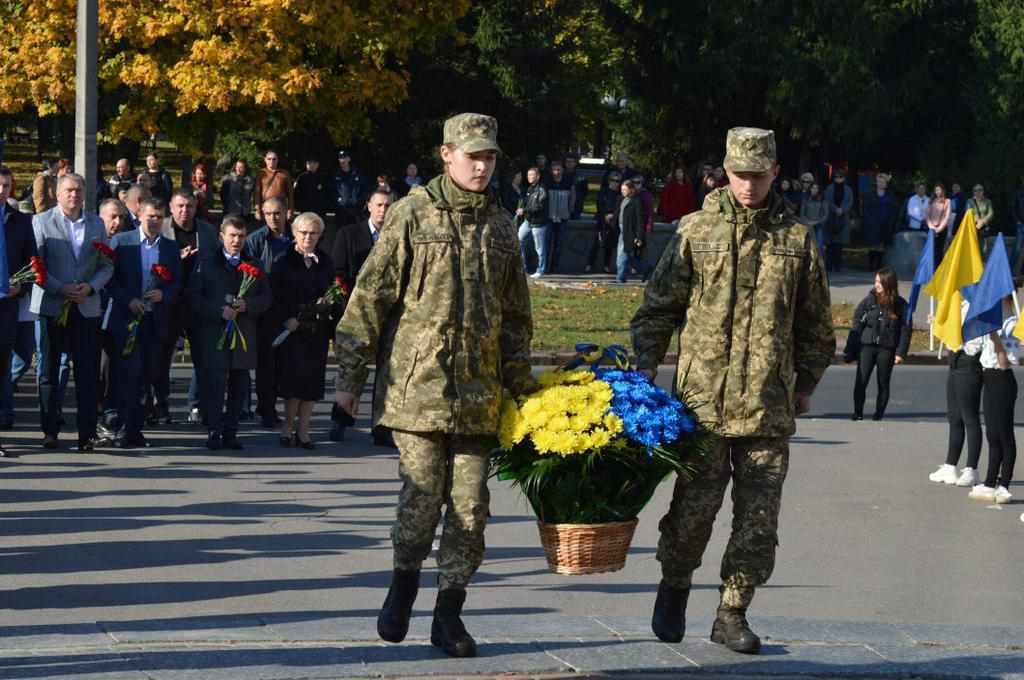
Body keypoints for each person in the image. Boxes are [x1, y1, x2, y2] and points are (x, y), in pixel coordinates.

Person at [333, 113, 534, 659]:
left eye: (489, 156)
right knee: (421, 499)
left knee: (470, 509)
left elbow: (516, 316)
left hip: (479, 394)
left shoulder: (499, 223)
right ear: (446, 154)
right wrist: (349, 380)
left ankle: (449, 613)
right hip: (417, 388)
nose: (481, 165)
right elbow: (370, 297)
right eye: (472, 155)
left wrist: (522, 388)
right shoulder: (412, 213)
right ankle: (402, 586)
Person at [631, 127, 834, 655]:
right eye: (739, 174)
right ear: (726, 171)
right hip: (703, 406)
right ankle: (673, 585)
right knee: (692, 514)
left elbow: (817, 327)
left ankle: (732, 612)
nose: (747, 184)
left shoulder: (797, 240)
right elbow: (658, 309)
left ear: (774, 174)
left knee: (757, 522)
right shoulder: (695, 231)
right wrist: (644, 369)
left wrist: (805, 384)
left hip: (767, 410)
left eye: (757, 175)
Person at [32, 173, 114, 451]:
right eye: (68, 190)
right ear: (57, 194)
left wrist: (90, 288)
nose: (74, 195)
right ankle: (50, 430)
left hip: (86, 306)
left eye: (78, 190)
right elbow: (36, 266)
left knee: (87, 373)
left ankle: (86, 434)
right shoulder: (42, 222)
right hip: (53, 305)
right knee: (49, 371)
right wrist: (60, 288)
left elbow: (107, 265)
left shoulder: (96, 223)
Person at [188, 215, 271, 450]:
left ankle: (231, 431)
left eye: (241, 236)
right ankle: (213, 430)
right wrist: (218, 311)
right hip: (215, 333)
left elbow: (266, 297)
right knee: (214, 385)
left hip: (243, 333)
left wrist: (248, 306)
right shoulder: (206, 262)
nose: (237, 241)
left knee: (240, 384)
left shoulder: (254, 264)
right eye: (232, 235)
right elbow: (194, 297)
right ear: (222, 236)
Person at [107, 198, 182, 448]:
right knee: (127, 373)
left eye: (160, 217)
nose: (155, 221)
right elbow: (110, 280)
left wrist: (165, 295)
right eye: (150, 216)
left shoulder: (170, 248)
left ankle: (136, 429)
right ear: (139, 215)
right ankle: (121, 428)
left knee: (146, 376)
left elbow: (177, 284)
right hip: (127, 319)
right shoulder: (122, 242)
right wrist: (128, 300)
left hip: (154, 321)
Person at [268, 213, 341, 448]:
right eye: (304, 232)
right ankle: (287, 428)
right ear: (294, 233)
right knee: (293, 383)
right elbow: (274, 296)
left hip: (316, 331)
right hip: (292, 330)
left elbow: (333, 293)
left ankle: (304, 431)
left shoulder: (326, 262)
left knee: (311, 383)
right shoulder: (282, 261)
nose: (308, 237)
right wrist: (286, 318)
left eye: (314, 233)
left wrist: (327, 309)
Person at [330, 188, 393, 444]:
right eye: (379, 205)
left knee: (388, 373)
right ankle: (340, 421)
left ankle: (382, 427)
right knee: (351, 369)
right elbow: (338, 273)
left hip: (389, 315)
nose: (383, 210)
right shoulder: (349, 234)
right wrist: (347, 305)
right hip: (357, 312)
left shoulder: (399, 236)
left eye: (388, 205)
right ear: (368, 205)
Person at [160, 189, 219, 426]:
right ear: (171, 208)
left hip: (198, 302)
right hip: (168, 301)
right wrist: (177, 259)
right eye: (180, 206)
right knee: (162, 358)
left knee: (202, 357)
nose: (185, 211)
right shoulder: (161, 227)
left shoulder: (207, 231)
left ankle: (196, 405)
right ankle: (160, 405)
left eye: (190, 207)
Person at [243, 197, 292, 427]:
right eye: (269, 213)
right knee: (265, 364)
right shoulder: (255, 240)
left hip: (289, 307)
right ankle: (266, 409)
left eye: (278, 213)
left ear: (286, 213)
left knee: (285, 364)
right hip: (264, 310)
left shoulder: (296, 237)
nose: (273, 217)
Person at [0, 166, 38, 457]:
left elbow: (32, 264)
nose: (2, 191)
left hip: (7, 306)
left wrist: (20, 287)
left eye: (7, 186)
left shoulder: (21, 222)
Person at [966, 297, 1018, 504]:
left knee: (1004, 434)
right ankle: (989, 482)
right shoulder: (990, 318)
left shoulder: (1012, 322)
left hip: (1002, 379)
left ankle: (1004, 485)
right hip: (988, 376)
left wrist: (995, 336)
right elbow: (971, 347)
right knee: (992, 434)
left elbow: (1007, 362)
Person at [929, 302, 984, 488]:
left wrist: (951, 330)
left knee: (970, 417)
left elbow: (975, 342)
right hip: (955, 360)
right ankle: (950, 465)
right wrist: (939, 323)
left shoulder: (979, 303)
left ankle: (971, 469)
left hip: (969, 360)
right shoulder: (958, 302)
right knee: (954, 417)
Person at [849, 267, 911, 421]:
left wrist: (900, 352)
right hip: (867, 346)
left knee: (883, 382)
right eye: (875, 281)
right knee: (861, 380)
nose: (876, 284)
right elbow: (857, 322)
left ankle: (879, 414)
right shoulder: (868, 301)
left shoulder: (900, 304)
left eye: (879, 282)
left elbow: (906, 329)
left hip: (887, 348)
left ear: (888, 283)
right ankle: (858, 412)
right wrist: (851, 349)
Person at [96, 198, 129, 439]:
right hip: (86, 312)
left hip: (114, 317)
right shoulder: (91, 242)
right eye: (112, 217)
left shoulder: (126, 245)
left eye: (121, 218)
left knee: (109, 368)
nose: (117, 222)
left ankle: (109, 415)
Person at [860, 173, 899, 271]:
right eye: (879, 182)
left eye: (883, 182)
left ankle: (878, 265)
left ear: (886, 184)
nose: (881, 184)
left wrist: (891, 222)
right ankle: (871, 265)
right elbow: (865, 209)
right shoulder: (869, 195)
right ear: (876, 183)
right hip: (872, 224)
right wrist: (868, 221)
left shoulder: (891, 196)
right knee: (872, 246)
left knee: (881, 247)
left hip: (885, 225)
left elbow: (894, 210)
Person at [615, 179, 651, 283]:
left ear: (631, 190)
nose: (622, 191)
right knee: (628, 257)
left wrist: (639, 237)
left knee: (622, 256)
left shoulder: (636, 201)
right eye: (621, 189)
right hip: (622, 231)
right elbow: (618, 213)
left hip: (629, 233)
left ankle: (620, 279)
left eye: (625, 189)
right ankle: (645, 268)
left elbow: (640, 221)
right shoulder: (622, 199)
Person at [586, 171, 621, 274]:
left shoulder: (619, 194)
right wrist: (605, 215)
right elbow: (600, 205)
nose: (615, 183)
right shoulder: (603, 191)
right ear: (609, 180)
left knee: (609, 244)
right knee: (597, 243)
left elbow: (618, 208)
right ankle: (589, 264)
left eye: (618, 181)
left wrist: (613, 216)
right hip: (602, 220)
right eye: (613, 180)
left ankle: (606, 265)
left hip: (613, 222)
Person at [545, 161, 573, 273]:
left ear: (562, 170)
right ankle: (545, 266)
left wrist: (569, 211)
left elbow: (572, 199)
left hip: (563, 217)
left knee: (559, 244)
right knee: (547, 243)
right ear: (551, 171)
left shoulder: (568, 182)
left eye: (559, 169)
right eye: (554, 169)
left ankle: (554, 266)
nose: (556, 172)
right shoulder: (547, 183)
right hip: (549, 217)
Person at [521, 167, 548, 278]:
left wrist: (524, 210)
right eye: (528, 175)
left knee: (540, 248)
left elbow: (539, 207)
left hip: (539, 223)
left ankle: (540, 270)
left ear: (538, 176)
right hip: (528, 220)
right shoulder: (529, 188)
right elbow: (527, 204)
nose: (529, 177)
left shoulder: (542, 189)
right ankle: (522, 266)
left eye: (532, 175)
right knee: (518, 239)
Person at [823, 169, 853, 272]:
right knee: (830, 244)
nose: (838, 179)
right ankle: (829, 265)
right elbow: (827, 200)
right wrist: (835, 209)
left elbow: (850, 202)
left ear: (844, 178)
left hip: (843, 218)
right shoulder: (829, 188)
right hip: (831, 217)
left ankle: (837, 266)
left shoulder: (848, 189)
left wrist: (842, 209)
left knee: (839, 244)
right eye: (836, 177)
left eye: (840, 177)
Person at [254, 150, 294, 221]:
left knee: (281, 229)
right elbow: (257, 193)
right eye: (269, 159)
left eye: (274, 159)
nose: (271, 161)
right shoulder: (260, 173)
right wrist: (257, 210)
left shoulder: (284, 173)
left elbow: (290, 194)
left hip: (281, 207)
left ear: (277, 160)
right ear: (265, 160)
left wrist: (290, 210)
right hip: (266, 207)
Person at [799, 182, 830, 261]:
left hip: (819, 226)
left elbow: (825, 215)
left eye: (816, 188)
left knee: (819, 246)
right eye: (813, 188)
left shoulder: (823, 200)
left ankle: (820, 264)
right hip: (807, 225)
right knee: (807, 246)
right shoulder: (805, 199)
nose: (814, 190)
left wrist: (817, 222)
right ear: (810, 189)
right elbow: (802, 214)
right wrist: (808, 222)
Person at [333, 150, 365, 225]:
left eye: (344, 158)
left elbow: (363, 190)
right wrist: (338, 201)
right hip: (341, 211)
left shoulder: (357, 174)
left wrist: (359, 202)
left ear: (349, 159)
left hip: (356, 211)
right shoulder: (335, 175)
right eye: (340, 158)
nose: (342, 160)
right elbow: (332, 191)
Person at [927, 184, 951, 270]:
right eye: (936, 190)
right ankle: (931, 270)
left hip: (942, 229)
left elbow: (947, 217)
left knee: (939, 251)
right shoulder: (931, 201)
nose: (937, 192)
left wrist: (939, 229)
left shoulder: (947, 201)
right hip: (932, 229)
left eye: (939, 190)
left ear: (943, 190)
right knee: (931, 251)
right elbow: (928, 216)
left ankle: (938, 271)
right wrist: (931, 227)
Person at [968, 184, 995, 253]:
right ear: (973, 192)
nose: (978, 192)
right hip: (974, 227)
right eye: (976, 190)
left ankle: (983, 262)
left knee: (984, 249)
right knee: (973, 249)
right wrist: (977, 221)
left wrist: (982, 221)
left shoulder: (988, 201)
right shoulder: (970, 201)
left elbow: (991, 213)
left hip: (984, 228)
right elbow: (968, 213)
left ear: (983, 191)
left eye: (980, 190)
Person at [563, 154, 588, 219]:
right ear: (565, 163)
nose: (569, 163)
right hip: (563, 206)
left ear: (575, 163)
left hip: (577, 206)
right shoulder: (561, 175)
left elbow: (585, 190)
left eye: (571, 162)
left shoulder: (581, 176)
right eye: (567, 162)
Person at [1011, 177, 1024, 273]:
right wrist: (1017, 221)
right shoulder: (1018, 194)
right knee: (1017, 249)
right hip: (1021, 225)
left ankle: (1022, 273)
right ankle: (1009, 271)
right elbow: (1013, 209)